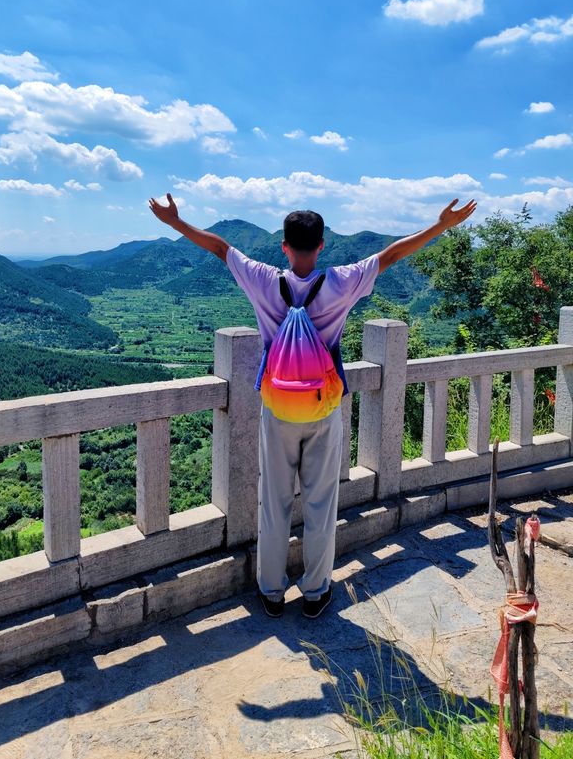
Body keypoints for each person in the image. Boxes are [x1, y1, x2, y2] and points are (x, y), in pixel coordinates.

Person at [149, 194, 476, 618]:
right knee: (321, 503)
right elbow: (391, 254)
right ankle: (316, 591)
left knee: (275, 501)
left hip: (278, 407)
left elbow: (219, 247)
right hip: (323, 408)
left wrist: (177, 222)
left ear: (283, 245)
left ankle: (270, 590)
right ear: (322, 245)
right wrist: (440, 226)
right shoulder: (341, 282)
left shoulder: (264, 279)